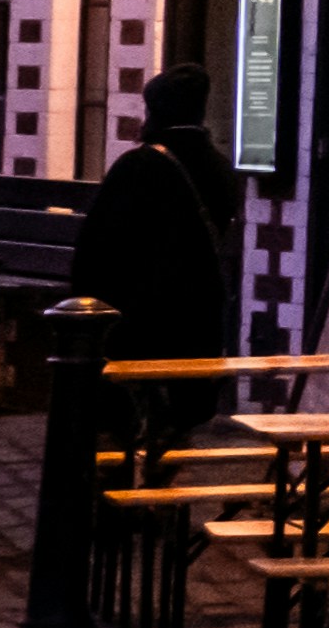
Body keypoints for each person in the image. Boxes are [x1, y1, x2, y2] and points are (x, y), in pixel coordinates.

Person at [69, 65, 241, 454]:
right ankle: (164, 501)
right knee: (174, 436)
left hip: (138, 326)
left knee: (121, 442)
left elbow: (97, 250)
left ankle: (123, 508)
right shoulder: (220, 168)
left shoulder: (137, 166)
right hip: (196, 323)